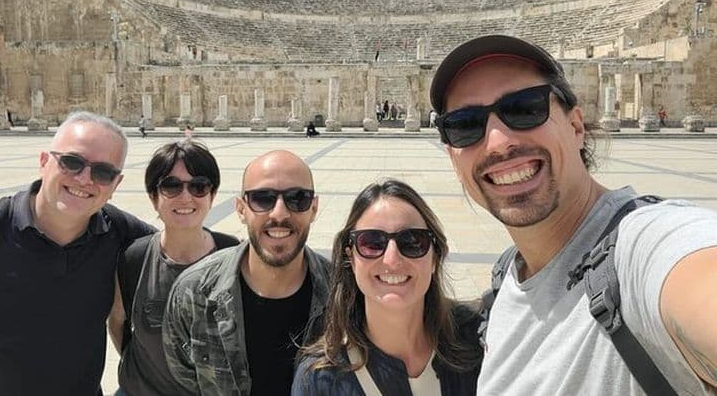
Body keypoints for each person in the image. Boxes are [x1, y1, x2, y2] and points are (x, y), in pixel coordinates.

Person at [429, 34, 717, 395]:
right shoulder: (506, 281)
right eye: (464, 125)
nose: (498, 141)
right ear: (453, 159)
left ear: (576, 126)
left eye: (523, 108)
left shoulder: (643, 249)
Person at [0, 111, 155, 396]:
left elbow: (186, 253)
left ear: (115, 185)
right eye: (71, 162)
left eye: (103, 172)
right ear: (44, 162)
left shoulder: (121, 235)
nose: (84, 179)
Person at [292, 179, 483, 395]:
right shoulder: (320, 380)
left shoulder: (477, 344)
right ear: (351, 259)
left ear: (435, 258)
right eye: (372, 242)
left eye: (412, 242)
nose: (392, 260)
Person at [163, 150, 331, 395]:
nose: (279, 213)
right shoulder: (193, 292)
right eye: (263, 198)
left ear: (314, 208)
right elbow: (186, 380)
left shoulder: (341, 293)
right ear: (241, 209)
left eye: (298, 198)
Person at [109, 140, 239, 396]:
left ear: (212, 196)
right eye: (171, 186)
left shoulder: (231, 254)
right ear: (153, 197)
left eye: (199, 186)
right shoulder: (134, 258)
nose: (186, 196)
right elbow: (117, 322)